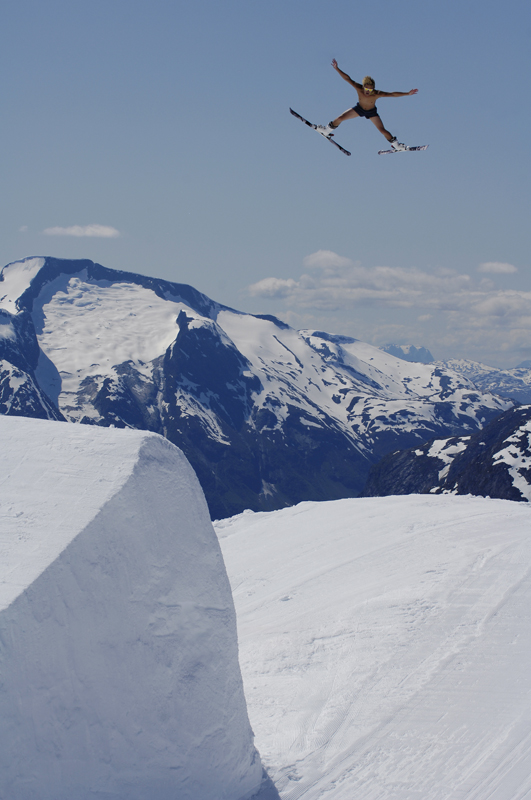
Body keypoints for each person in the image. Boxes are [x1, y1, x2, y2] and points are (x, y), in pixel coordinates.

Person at [316, 59, 418, 150]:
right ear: (363, 86)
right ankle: (326, 130)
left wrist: (407, 93)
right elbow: (347, 79)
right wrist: (337, 69)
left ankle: (397, 145)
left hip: (371, 112)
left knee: (382, 130)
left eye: (370, 89)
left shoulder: (376, 94)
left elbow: (392, 94)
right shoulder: (359, 88)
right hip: (359, 109)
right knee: (340, 118)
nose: (368, 91)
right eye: (367, 88)